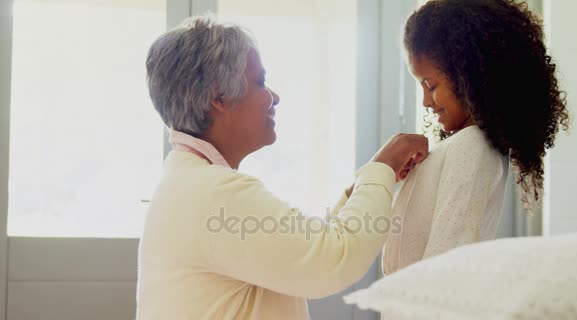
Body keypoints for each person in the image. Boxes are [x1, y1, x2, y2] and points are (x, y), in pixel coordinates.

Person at [136, 16, 428, 320]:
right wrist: (382, 168)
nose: (274, 96)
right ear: (219, 97)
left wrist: (369, 185)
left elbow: (307, 247)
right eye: (260, 82)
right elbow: (331, 260)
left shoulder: (191, 184)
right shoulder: (213, 192)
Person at [383, 0, 570, 275]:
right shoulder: (463, 145)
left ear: (468, 75)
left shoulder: (472, 147)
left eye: (430, 85)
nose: (424, 101)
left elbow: (447, 263)